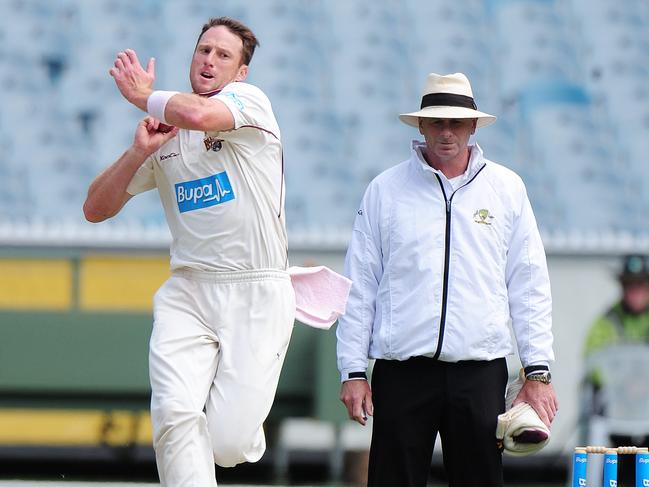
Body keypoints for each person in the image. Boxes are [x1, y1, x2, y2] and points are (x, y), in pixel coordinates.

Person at [83, 17, 295, 487]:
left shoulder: (249, 102)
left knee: (229, 443)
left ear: (240, 73)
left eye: (223, 55)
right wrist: (139, 152)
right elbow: (95, 209)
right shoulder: (166, 131)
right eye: (203, 50)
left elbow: (199, 116)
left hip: (256, 288)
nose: (209, 60)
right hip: (188, 290)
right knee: (175, 415)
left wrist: (141, 96)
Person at [336, 72, 558, 487]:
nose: (446, 132)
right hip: (402, 372)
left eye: (456, 122)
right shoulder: (385, 190)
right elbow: (359, 284)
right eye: (437, 122)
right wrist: (352, 371)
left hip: (480, 372)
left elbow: (529, 284)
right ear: (420, 125)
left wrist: (538, 372)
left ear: (473, 126)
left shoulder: (507, 189)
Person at [583, 254, 649, 485]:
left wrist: (642, 384)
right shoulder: (606, 321)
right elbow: (593, 363)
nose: (635, 291)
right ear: (622, 286)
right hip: (617, 408)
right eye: (630, 285)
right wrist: (624, 384)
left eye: (641, 284)